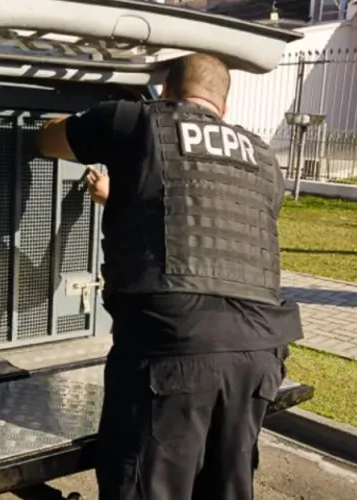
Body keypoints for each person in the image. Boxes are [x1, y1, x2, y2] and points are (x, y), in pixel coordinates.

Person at [36, 53, 304, 500]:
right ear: (224, 106)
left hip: (173, 351)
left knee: (146, 486)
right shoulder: (261, 156)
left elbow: (49, 140)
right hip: (258, 354)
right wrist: (120, 196)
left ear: (165, 92)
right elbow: (201, 213)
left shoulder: (136, 122)